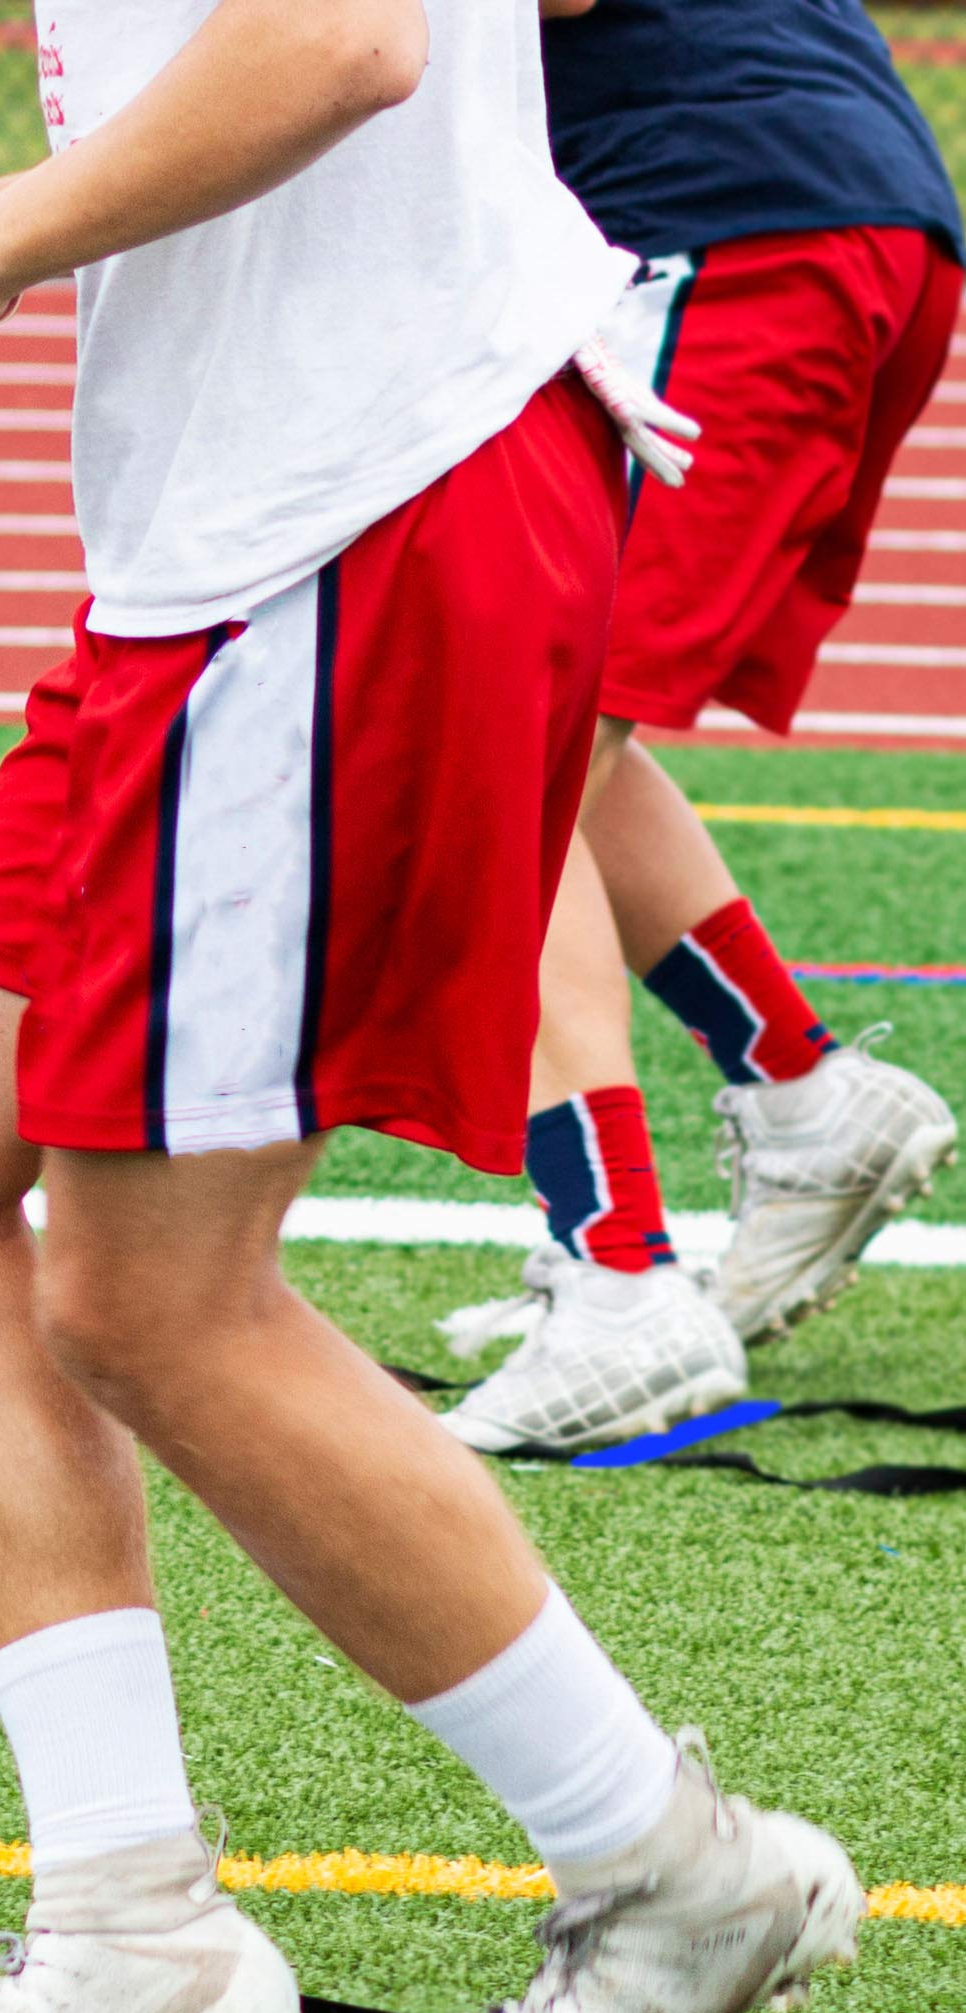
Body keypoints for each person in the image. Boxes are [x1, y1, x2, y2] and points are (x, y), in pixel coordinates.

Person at [0, 0, 860, 2013]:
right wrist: (0, 223)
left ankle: (668, 1873)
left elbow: (342, 39)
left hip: (354, 519)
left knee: (155, 1297)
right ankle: (134, 1930)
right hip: (268, 527)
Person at [440, 0, 963, 1457]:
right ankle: (799, 1096)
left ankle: (616, 1270)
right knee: (546, 713)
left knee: (498, 744)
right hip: (791, 195)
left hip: (725, 210)